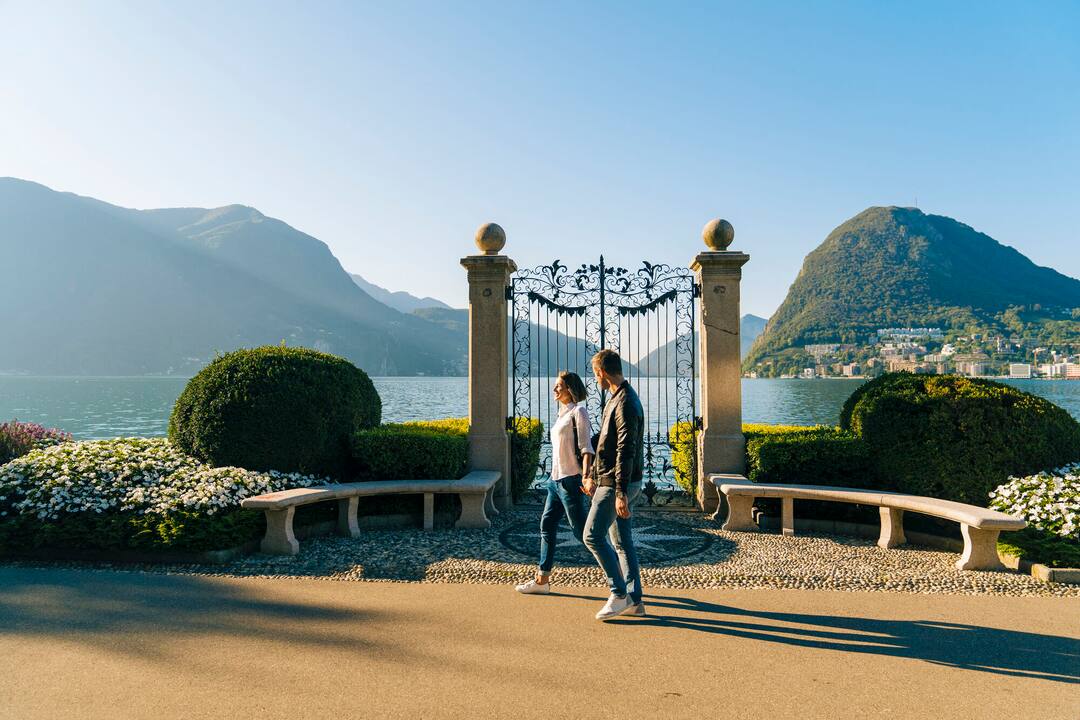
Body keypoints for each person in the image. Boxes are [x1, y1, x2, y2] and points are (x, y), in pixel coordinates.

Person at [515, 371, 594, 595]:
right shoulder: (562, 414)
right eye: (555, 385)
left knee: (584, 534)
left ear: (570, 389)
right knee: (547, 526)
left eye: (559, 386)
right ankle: (542, 581)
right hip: (554, 481)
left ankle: (619, 576)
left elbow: (586, 448)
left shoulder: (579, 412)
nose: (554, 389)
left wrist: (587, 476)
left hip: (570, 481)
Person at [582, 348, 645, 621]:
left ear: (602, 372)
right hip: (614, 480)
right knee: (621, 542)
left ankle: (618, 594)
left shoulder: (625, 402)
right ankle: (635, 599)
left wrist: (619, 492)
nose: (595, 379)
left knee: (592, 536)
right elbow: (609, 443)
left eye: (595, 373)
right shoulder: (619, 398)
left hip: (618, 483)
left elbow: (625, 449)